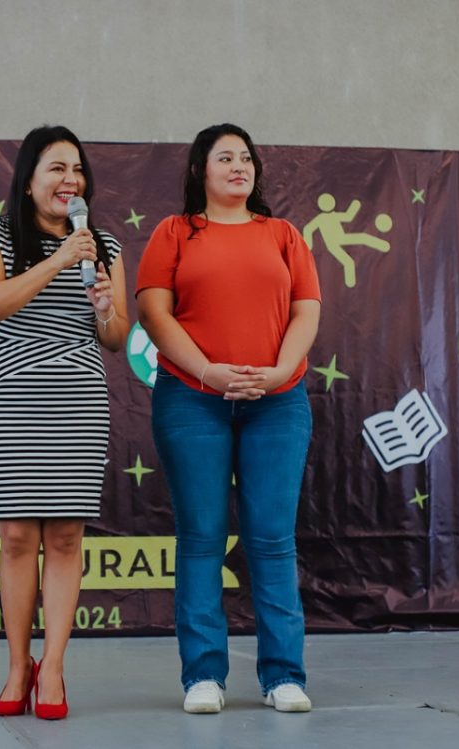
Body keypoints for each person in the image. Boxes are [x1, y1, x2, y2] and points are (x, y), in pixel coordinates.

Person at [135, 124, 320, 715]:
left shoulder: (283, 235)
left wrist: (279, 372)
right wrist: (208, 372)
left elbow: (306, 311)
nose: (239, 166)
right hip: (192, 400)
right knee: (201, 538)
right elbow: (154, 314)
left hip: (277, 402)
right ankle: (203, 676)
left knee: (272, 539)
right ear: (200, 170)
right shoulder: (173, 232)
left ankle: (283, 676)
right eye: (225, 157)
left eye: (246, 158)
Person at [0, 125, 128, 719]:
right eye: (57, 168)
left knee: (64, 536)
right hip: (14, 399)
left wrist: (105, 309)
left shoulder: (103, 243)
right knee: (16, 536)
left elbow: (117, 337)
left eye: (77, 169)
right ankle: (18, 665)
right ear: (29, 179)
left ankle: (53, 665)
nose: (70, 180)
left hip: (78, 400)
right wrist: (59, 259)